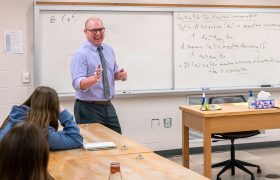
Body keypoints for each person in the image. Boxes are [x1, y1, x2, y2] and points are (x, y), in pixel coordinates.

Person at [71, 17, 127, 134]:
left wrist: (119, 75)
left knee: (118, 141)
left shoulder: (108, 49)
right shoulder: (81, 54)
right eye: (94, 30)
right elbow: (77, 84)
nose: (98, 33)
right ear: (85, 32)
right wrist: (93, 79)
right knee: (93, 147)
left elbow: (112, 73)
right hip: (88, 108)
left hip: (108, 106)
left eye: (101, 30)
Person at [0, 86, 83, 150]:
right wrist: (63, 112)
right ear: (52, 108)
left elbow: (53, 136)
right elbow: (76, 140)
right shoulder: (39, 131)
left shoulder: (18, 115)